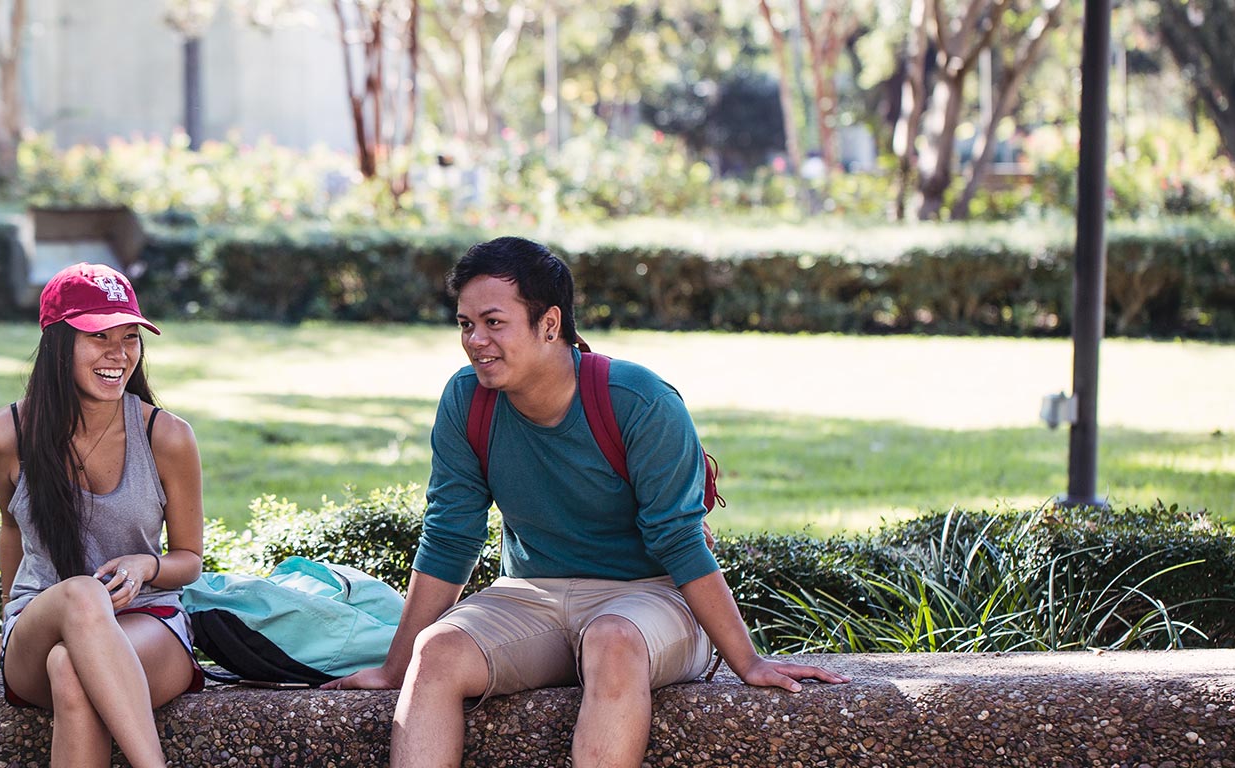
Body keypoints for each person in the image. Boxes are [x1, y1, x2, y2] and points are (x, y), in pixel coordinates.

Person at [323, 237, 849, 767]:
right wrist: (397, 668)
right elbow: (450, 535)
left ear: (549, 324)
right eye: (465, 324)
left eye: (493, 322)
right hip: (530, 594)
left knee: (612, 642)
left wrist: (748, 661)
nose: (475, 340)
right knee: (436, 653)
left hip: (648, 599)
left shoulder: (638, 401)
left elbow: (679, 540)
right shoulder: (467, 399)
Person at [0, 262, 204, 768]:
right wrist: (9, 626)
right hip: (40, 622)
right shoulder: (5, 435)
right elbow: (11, 527)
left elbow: (190, 559)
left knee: (71, 668)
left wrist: (145, 565)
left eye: (130, 336)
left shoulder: (167, 436)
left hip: (147, 621)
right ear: (58, 343)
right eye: (99, 336)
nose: (119, 353)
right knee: (82, 595)